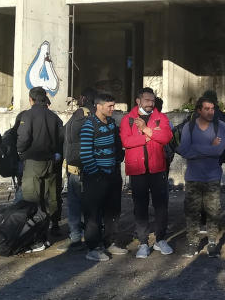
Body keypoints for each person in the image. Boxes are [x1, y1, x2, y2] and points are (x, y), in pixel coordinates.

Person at [120, 87, 174, 258]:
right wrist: (148, 136)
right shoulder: (128, 119)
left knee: (161, 206)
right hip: (137, 170)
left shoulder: (161, 118)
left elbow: (166, 137)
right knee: (140, 207)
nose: (150, 103)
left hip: (158, 168)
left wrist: (145, 129)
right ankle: (143, 242)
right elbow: (126, 142)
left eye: (152, 100)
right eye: (147, 100)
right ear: (138, 101)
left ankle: (160, 239)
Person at [177, 95, 225, 258]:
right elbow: (184, 150)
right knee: (192, 211)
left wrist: (196, 149)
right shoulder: (189, 127)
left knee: (213, 210)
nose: (210, 112)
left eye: (213, 108)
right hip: (193, 177)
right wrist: (209, 147)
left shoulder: (220, 126)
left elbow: (218, 151)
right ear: (199, 110)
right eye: (206, 109)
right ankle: (192, 242)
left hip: (212, 176)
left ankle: (212, 242)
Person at [16, 86, 65, 252]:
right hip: (52, 162)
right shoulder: (54, 117)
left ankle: (36, 238)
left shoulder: (27, 115)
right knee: (51, 196)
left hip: (33, 162)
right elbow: (61, 139)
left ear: (31, 99)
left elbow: (23, 138)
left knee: (32, 199)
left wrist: (21, 152)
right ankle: (55, 225)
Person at [79, 92, 126, 261]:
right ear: (98, 107)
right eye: (110, 106)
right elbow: (85, 153)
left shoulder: (112, 123)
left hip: (113, 175)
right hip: (96, 177)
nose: (113, 109)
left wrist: (117, 162)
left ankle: (110, 242)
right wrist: (96, 174)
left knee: (113, 211)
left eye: (113, 105)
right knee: (94, 214)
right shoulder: (89, 125)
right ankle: (94, 247)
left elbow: (117, 145)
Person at [63, 88, 96, 248]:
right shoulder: (101, 115)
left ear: (83, 98)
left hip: (77, 166)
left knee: (75, 202)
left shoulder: (79, 115)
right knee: (93, 203)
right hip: (95, 166)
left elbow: (67, 137)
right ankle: (94, 233)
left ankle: (76, 235)